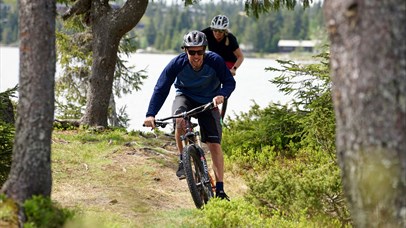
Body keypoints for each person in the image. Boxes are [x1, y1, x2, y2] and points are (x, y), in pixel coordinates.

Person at [143, 31, 236, 200]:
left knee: (214, 144)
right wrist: (151, 114)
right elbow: (161, 88)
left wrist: (222, 94)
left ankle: (220, 189)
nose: (196, 56)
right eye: (191, 52)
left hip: (209, 101)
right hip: (185, 96)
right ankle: (183, 159)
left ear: (204, 50)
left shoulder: (214, 61)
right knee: (179, 119)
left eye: (199, 51)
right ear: (185, 51)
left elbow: (230, 82)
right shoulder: (177, 63)